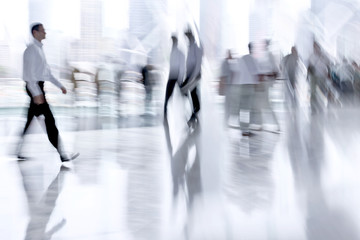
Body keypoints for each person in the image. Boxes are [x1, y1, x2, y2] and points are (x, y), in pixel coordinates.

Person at [17, 23, 79, 162]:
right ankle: (63, 154)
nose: (45, 32)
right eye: (43, 30)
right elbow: (29, 75)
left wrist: (60, 86)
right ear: (35, 33)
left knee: (30, 121)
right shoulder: (31, 50)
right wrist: (36, 93)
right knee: (50, 121)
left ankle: (18, 150)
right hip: (35, 88)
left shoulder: (39, 49)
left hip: (38, 88)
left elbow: (47, 73)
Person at [228, 43, 261, 136]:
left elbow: (235, 72)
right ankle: (246, 129)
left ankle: (243, 129)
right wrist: (257, 86)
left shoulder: (241, 59)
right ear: (252, 49)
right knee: (248, 109)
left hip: (240, 86)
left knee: (242, 109)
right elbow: (256, 74)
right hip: (249, 86)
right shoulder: (253, 60)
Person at [180, 29, 203, 125]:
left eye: (188, 36)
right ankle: (194, 114)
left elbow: (198, 63)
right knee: (189, 93)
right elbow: (188, 64)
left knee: (193, 95)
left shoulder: (196, 48)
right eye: (187, 37)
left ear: (192, 36)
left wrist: (194, 76)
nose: (187, 39)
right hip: (190, 75)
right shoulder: (190, 48)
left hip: (195, 75)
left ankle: (194, 115)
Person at [163, 35, 186, 117]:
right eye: (172, 41)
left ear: (176, 42)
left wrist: (180, 79)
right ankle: (165, 111)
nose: (172, 42)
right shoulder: (172, 52)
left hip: (177, 76)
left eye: (173, 41)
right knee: (168, 94)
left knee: (183, 95)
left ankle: (187, 111)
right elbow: (171, 66)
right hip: (172, 76)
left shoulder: (180, 53)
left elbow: (182, 67)